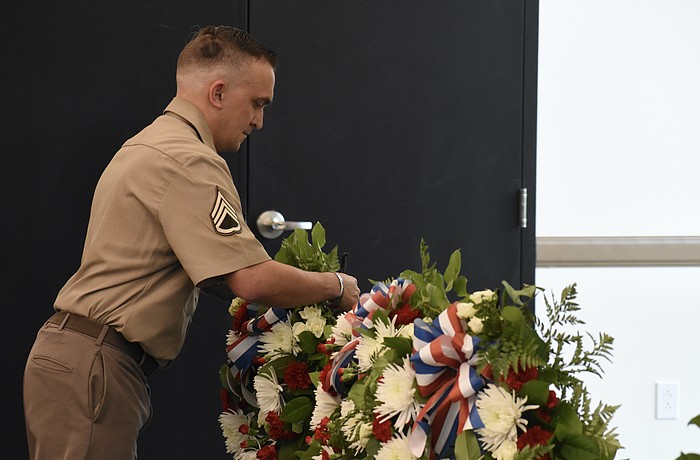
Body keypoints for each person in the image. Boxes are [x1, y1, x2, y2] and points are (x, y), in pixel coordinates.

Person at [23, 25, 360, 459]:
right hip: (97, 362)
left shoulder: (150, 143)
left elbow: (218, 276)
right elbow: (250, 281)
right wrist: (334, 286)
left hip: (79, 359)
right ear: (217, 93)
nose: (259, 120)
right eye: (257, 103)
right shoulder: (190, 160)